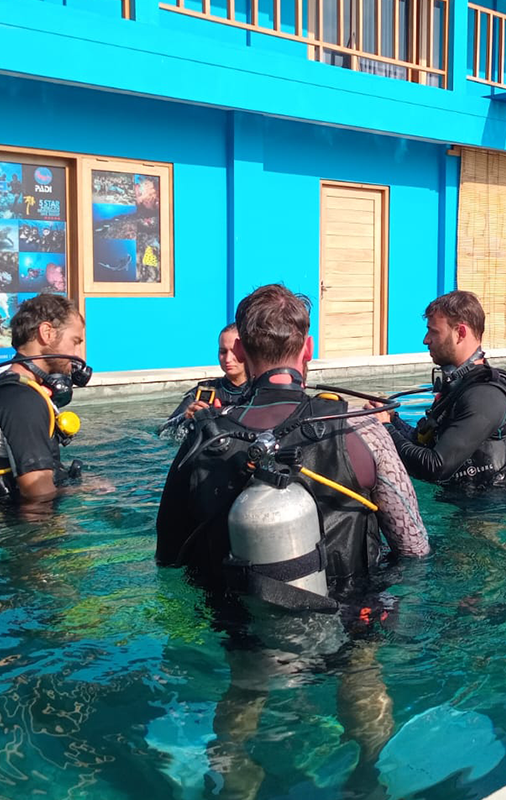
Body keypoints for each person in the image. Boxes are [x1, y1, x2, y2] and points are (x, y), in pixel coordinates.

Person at [155, 284, 429, 794]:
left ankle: (237, 782)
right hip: (349, 609)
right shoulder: (361, 427)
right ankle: (369, 772)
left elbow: (169, 557)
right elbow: (413, 544)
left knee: (245, 692)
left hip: (246, 619)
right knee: (361, 675)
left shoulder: (202, 437)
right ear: (308, 348)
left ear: (242, 351)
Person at [377, 290, 506, 488]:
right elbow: (423, 442)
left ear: (461, 333)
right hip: (459, 506)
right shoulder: (457, 387)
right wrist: (392, 419)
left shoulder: (484, 397)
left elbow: (435, 467)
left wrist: (386, 429)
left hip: (487, 515)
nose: (426, 339)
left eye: (434, 331)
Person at [0, 293, 87, 503]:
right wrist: (88, 492)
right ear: (47, 332)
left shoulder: (2, 390)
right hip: (11, 531)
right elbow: (38, 496)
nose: (80, 356)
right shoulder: (23, 402)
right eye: (75, 342)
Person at [160, 323, 247, 436]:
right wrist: (185, 417)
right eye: (223, 352)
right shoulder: (202, 392)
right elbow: (163, 430)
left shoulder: (261, 391)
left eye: (234, 351)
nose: (228, 359)